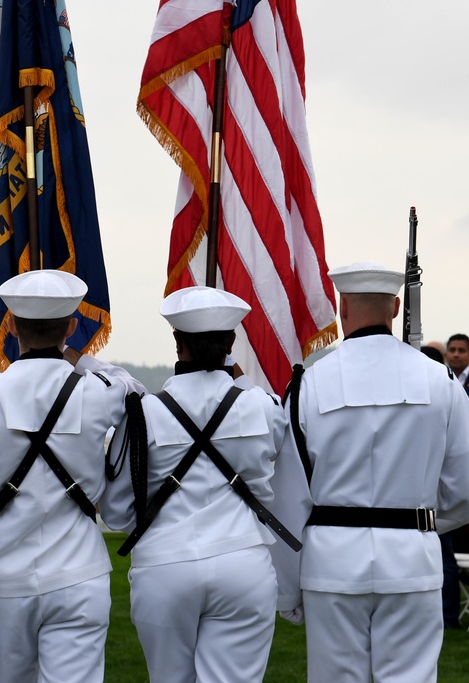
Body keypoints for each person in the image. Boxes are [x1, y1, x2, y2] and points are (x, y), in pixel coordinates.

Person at [278, 261, 469, 682]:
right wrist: (415, 524)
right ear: (395, 308)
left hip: (330, 564)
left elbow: (289, 498)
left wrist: (287, 587)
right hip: (412, 560)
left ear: (342, 307)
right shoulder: (440, 380)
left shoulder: (308, 385)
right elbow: (463, 491)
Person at [100, 286, 308, 683]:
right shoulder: (264, 407)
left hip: (164, 565)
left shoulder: (143, 412)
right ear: (232, 343)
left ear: (178, 343)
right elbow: (286, 488)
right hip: (243, 563)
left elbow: (115, 510)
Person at [0, 270, 144, 683]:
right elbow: (136, 393)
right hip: (79, 573)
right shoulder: (99, 390)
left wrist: (5, 531)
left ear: (12, 327)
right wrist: (85, 359)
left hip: (4, 575)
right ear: (72, 328)